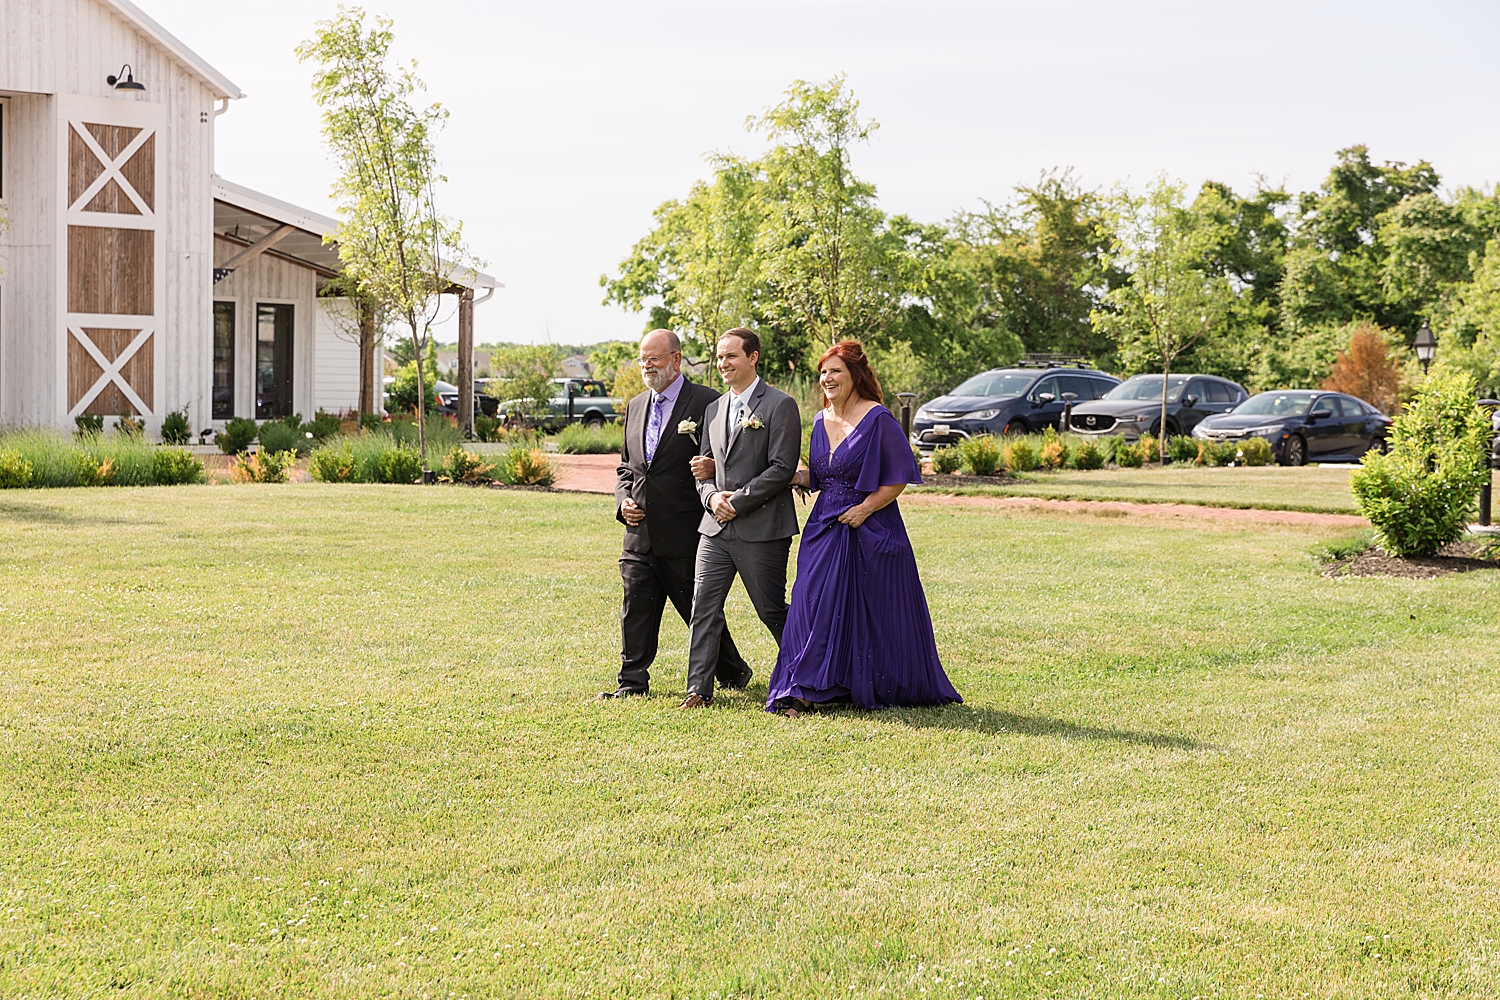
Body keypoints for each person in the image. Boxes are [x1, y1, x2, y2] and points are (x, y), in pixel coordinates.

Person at [766, 340, 962, 716]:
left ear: (855, 375)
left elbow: (899, 477)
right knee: (812, 604)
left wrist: (864, 509)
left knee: (869, 611)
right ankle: (808, 683)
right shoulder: (821, 421)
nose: (827, 378)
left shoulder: (878, 419)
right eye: (823, 372)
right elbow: (823, 476)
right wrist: (789, 475)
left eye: (835, 371)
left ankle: (813, 691)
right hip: (824, 529)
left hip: (870, 528)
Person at [603, 329, 752, 700]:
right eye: (642, 359)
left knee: (697, 611)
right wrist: (623, 501)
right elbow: (627, 468)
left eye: (654, 358)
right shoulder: (636, 406)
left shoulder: (707, 402)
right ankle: (631, 683)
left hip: (686, 531)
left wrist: (713, 471)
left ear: (676, 359)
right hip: (638, 533)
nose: (647, 366)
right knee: (635, 608)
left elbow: (728, 456)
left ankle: (733, 670)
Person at [679, 328, 801, 709]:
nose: (723, 364)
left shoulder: (780, 405)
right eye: (719, 357)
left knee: (770, 610)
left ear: (753, 358)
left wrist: (739, 501)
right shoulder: (713, 409)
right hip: (715, 528)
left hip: (762, 528)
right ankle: (698, 690)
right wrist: (712, 496)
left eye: (731, 356)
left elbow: (783, 468)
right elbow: (703, 471)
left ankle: (809, 675)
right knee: (703, 605)